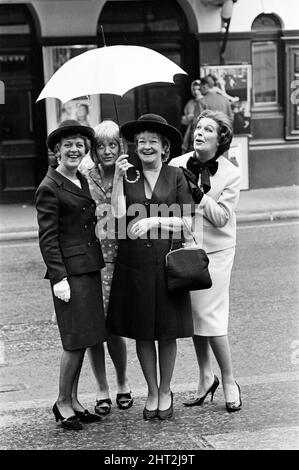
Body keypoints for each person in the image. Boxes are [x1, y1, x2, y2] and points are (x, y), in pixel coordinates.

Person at [106, 114, 194, 420]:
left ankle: (166, 390)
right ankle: (152, 391)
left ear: (164, 147)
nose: (146, 146)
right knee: (143, 331)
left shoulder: (176, 175)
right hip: (135, 265)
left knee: (167, 331)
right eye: (141, 141)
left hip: (167, 262)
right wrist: (117, 178)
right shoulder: (127, 176)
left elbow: (187, 221)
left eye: (152, 142)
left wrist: (154, 219)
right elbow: (117, 216)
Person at [169, 109, 242, 413]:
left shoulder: (231, 173)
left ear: (220, 137)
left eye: (207, 129)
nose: (199, 133)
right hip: (186, 249)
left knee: (211, 317)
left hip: (217, 253)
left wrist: (198, 194)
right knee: (194, 316)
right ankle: (204, 376)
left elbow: (222, 218)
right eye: (198, 127)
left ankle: (228, 380)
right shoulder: (176, 164)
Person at [35, 119, 105, 430]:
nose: (74, 150)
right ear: (57, 151)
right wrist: (58, 277)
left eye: (79, 145)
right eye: (68, 145)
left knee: (87, 337)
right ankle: (62, 402)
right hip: (70, 274)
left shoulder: (81, 180)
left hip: (88, 267)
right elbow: (48, 237)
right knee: (74, 340)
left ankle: (75, 400)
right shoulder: (49, 187)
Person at [80, 120, 133, 415]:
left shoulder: (129, 174)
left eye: (112, 144)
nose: (107, 151)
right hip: (92, 262)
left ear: (120, 146)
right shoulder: (85, 175)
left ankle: (123, 383)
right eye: (100, 146)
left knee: (115, 330)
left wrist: (123, 179)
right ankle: (101, 388)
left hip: (120, 261)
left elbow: (121, 216)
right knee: (93, 330)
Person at [181, 80, 206, 154]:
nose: (196, 92)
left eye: (198, 89)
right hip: (191, 133)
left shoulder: (206, 101)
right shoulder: (190, 103)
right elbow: (183, 121)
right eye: (194, 89)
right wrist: (187, 118)